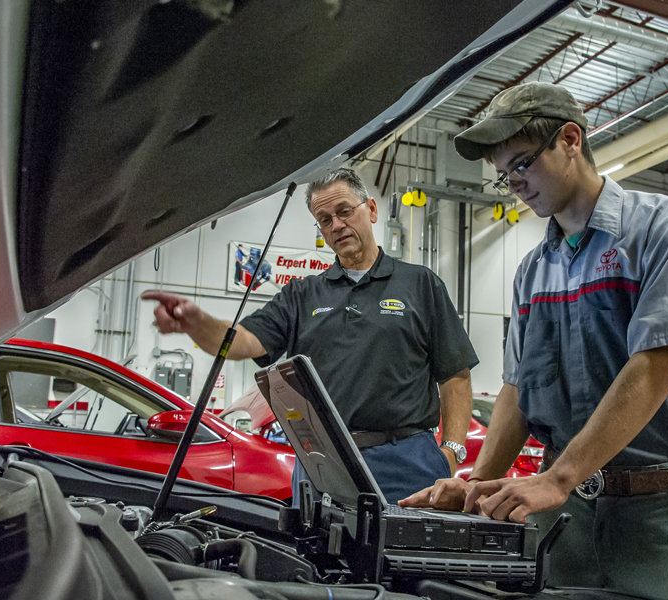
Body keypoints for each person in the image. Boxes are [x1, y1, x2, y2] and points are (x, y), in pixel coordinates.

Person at [399, 82, 668, 600]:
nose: (517, 185)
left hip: (656, 516)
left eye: (522, 164)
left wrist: (559, 476)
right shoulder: (533, 271)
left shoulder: (666, 227)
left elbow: (655, 365)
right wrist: (477, 480)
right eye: (506, 177)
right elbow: (517, 390)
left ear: (570, 139)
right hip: (562, 520)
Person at [142, 167, 478, 503]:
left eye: (344, 211)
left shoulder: (421, 284)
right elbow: (243, 341)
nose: (337, 225)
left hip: (407, 461)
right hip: (322, 463)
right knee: (314, 554)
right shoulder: (301, 295)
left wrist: (451, 452)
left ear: (371, 210)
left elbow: (456, 376)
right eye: (325, 219)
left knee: (406, 555)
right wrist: (197, 323)